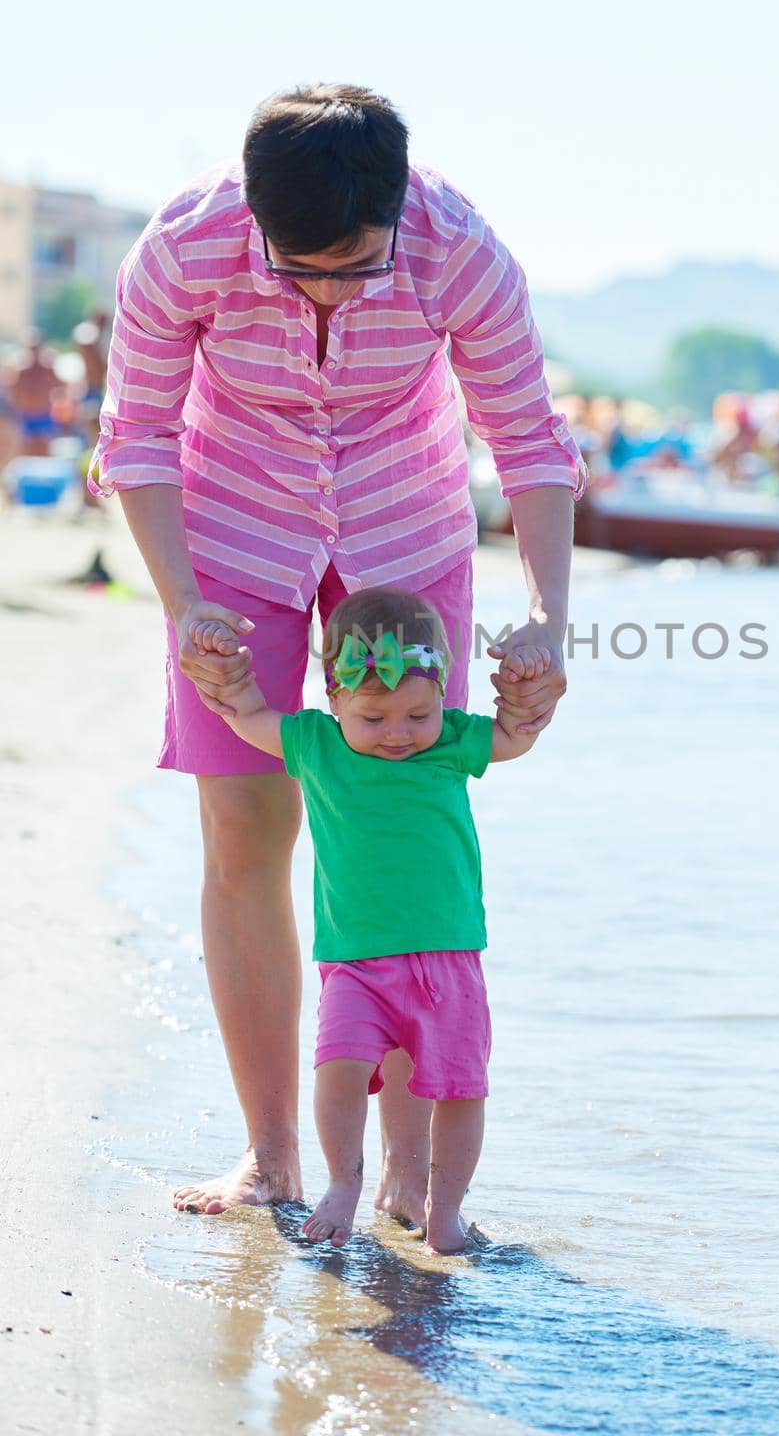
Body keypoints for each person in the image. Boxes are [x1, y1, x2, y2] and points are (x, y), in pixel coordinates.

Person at [89, 83, 587, 1219]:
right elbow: (138, 435)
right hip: (230, 530)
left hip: (404, 530)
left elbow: (529, 438)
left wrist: (549, 622)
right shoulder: (184, 248)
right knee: (244, 825)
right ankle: (273, 1155)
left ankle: (411, 1183)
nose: (323, 288)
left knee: (403, 829)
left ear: (396, 214)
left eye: (352, 265)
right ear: (255, 215)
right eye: (298, 264)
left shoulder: (459, 251)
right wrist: (184, 607)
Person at [203, 583, 544, 1251]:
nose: (398, 735)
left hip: (449, 959)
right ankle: (343, 1181)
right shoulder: (316, 744)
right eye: (374, 718)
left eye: (418, 716)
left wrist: (522, 685)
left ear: (442, 700)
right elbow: (247, 717)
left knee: (460, 1089)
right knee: (339, 1069)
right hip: (355, 961)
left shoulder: (451, 741)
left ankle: (443, 1210)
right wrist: (234, 676)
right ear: (334, 701)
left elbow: (512, 737)